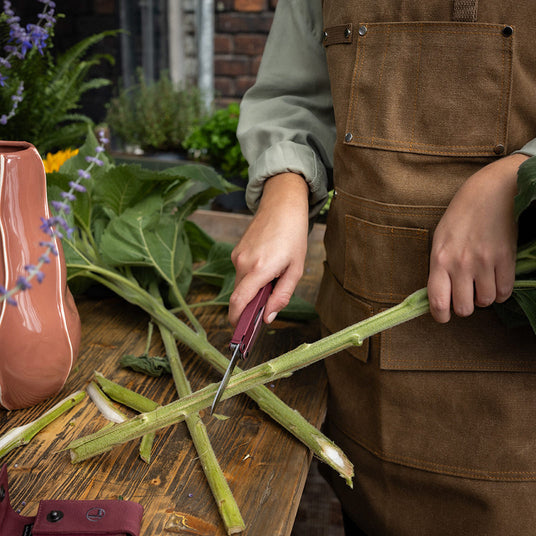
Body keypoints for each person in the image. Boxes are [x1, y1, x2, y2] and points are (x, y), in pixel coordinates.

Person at [229, 1, 536, 535]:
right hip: (361, 394)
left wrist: (519, 175)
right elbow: (295, 93)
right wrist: (285, 186)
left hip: (511, 423)